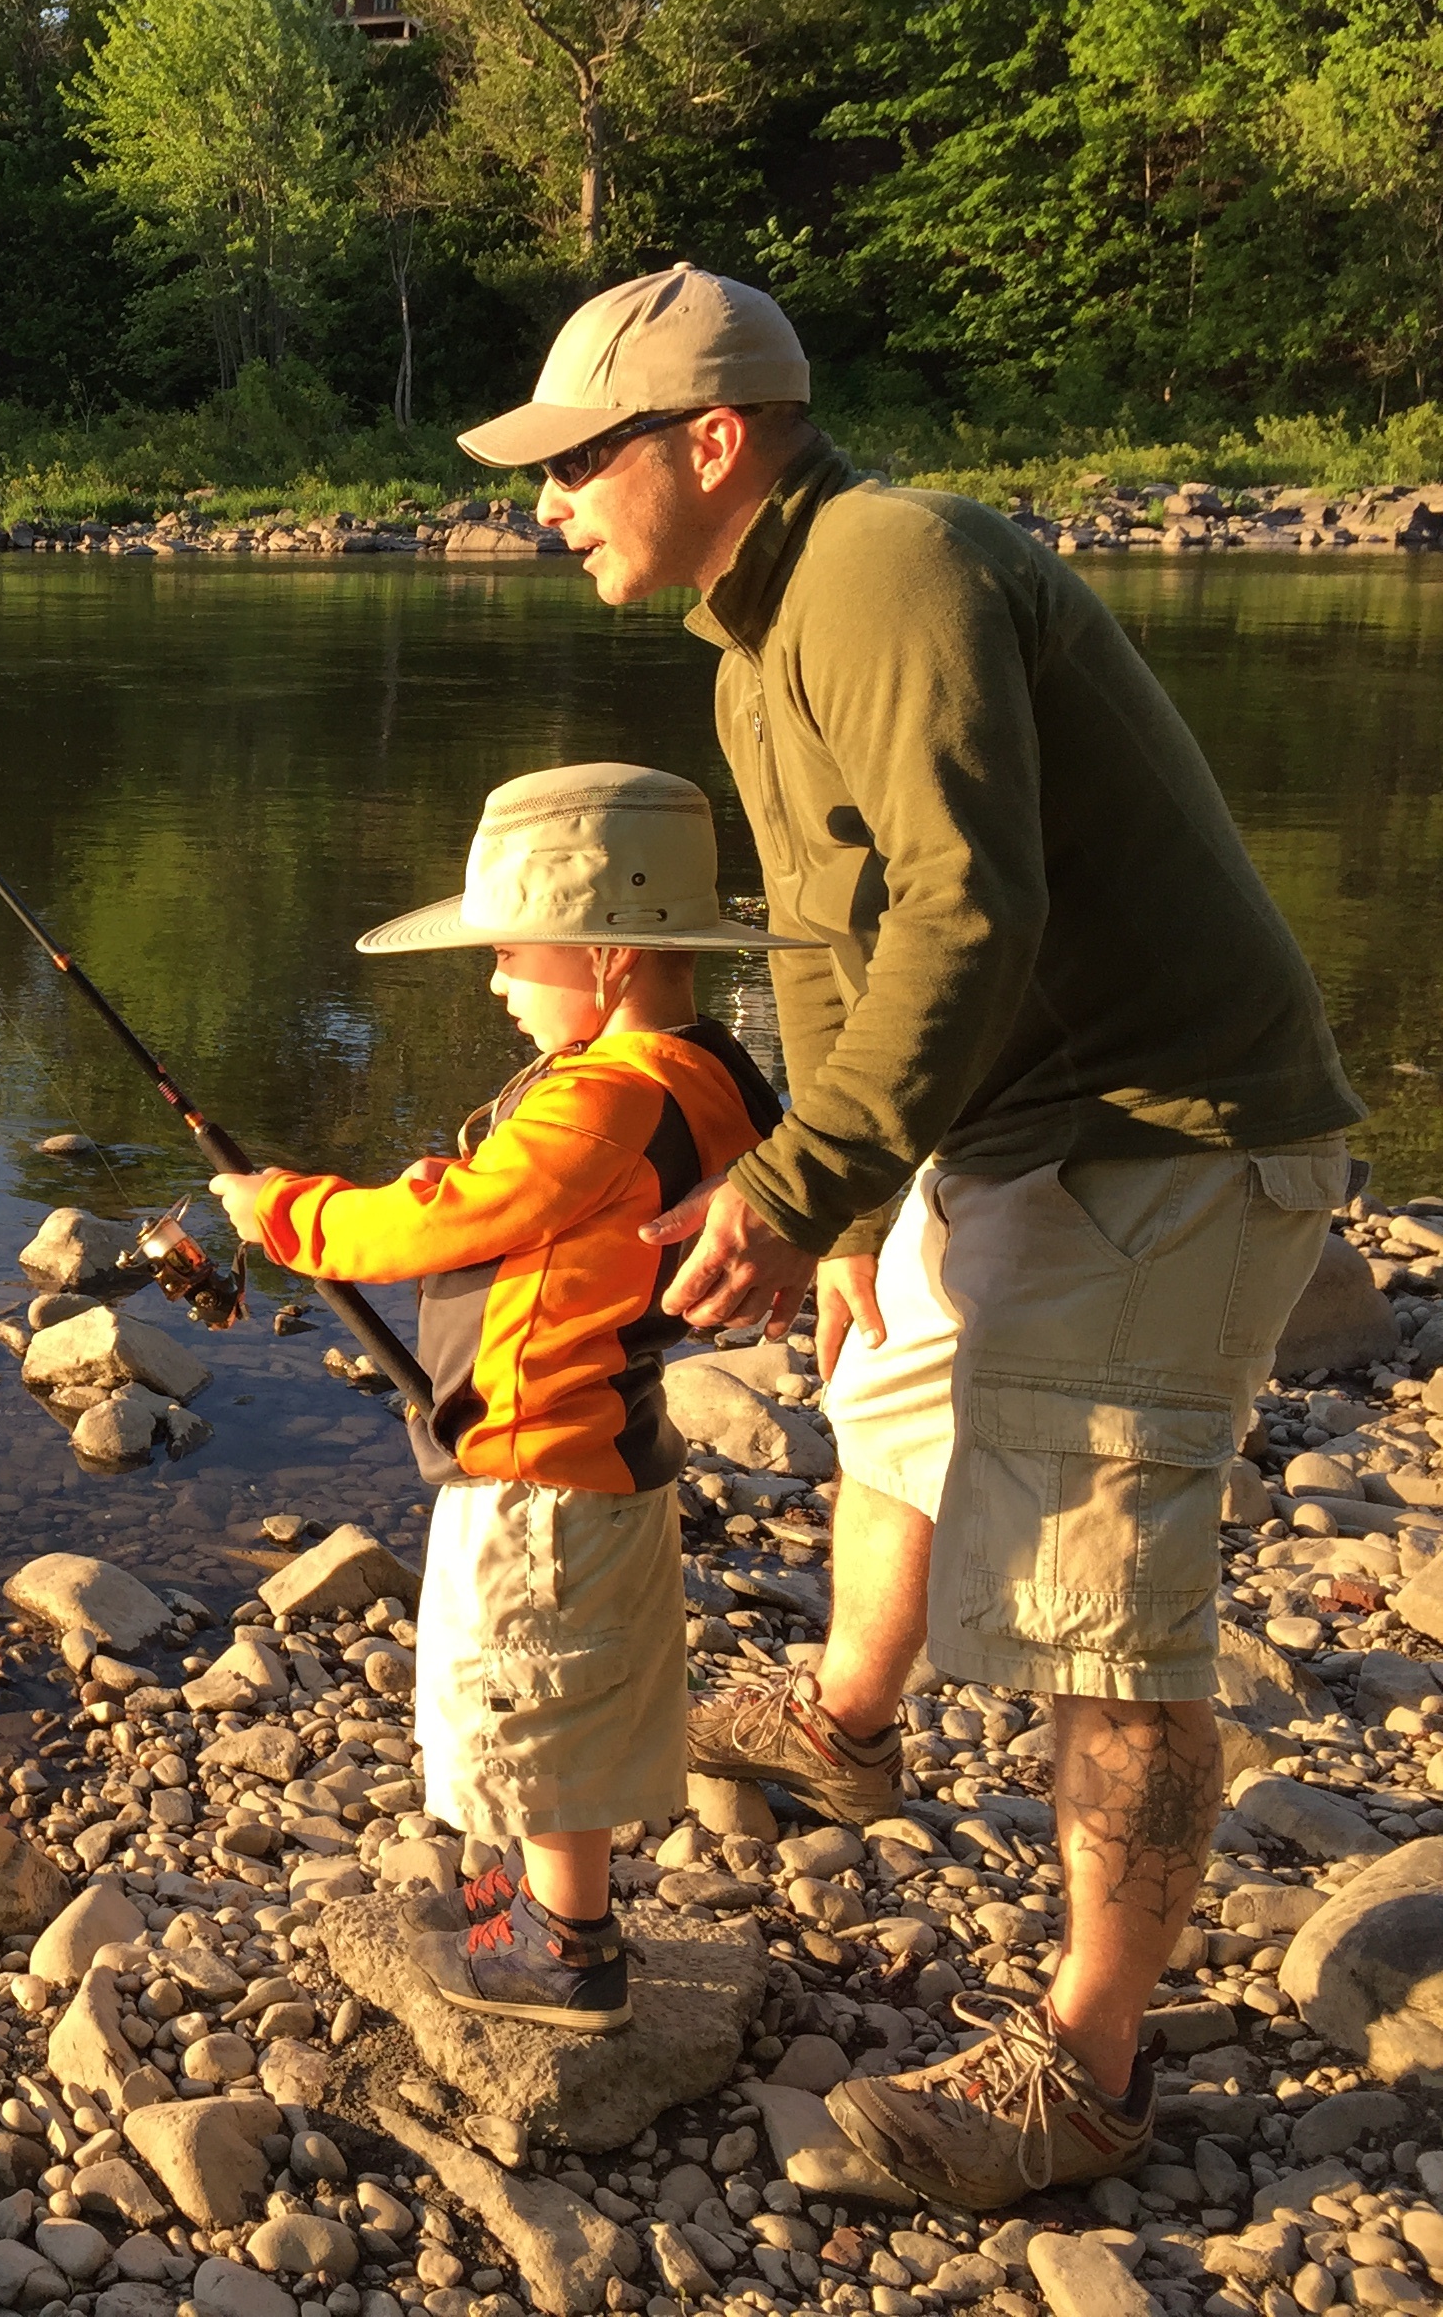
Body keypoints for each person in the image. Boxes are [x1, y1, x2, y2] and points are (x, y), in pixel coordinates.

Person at [453, 266, 1362, 2206]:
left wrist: (789, 1191)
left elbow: (970, 914)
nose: (550, 502)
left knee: (1102, 1604)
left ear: (712, 441)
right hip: (1015, 1119)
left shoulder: (885, 563)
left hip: (1174, 1137)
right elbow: (824, 941)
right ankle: (846, 1725)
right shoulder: (746, 644)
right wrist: (851, 1192)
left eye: (576, 460)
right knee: (891, 1388)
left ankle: (1093, 2068)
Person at [209, 762, 794, 2031]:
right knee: (572, 1680)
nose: (492, 980)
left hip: (541, 1463)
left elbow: (457, 1215)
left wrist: (286, 1214)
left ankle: (569, 1948)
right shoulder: (708, 1071)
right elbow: (533, 1198)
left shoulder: (603, 1096)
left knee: (524, 1685)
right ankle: (545, 1899)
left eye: (511, 952)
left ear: (609, 957)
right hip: (613, 1441)